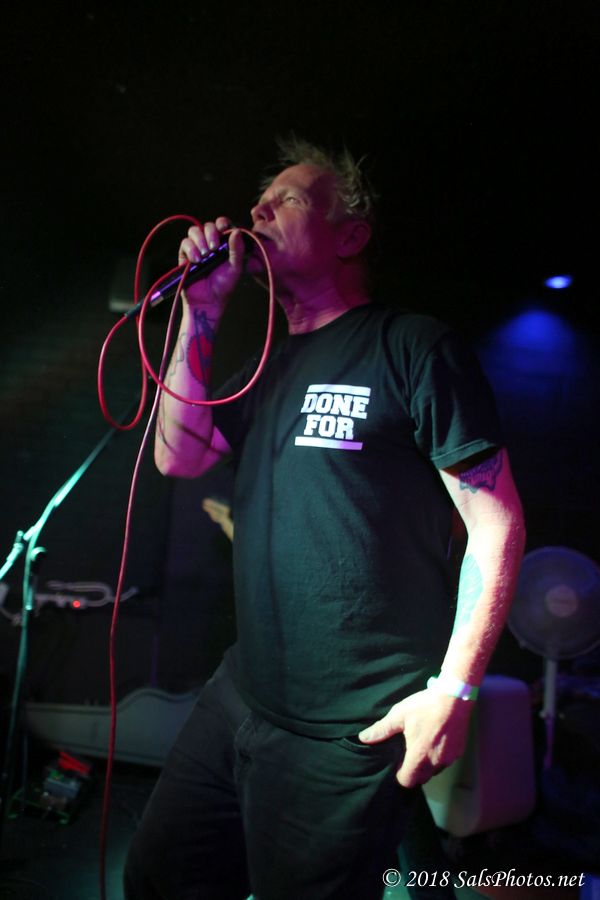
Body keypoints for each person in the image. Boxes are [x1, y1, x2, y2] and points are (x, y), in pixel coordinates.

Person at [124, 137, 526, 900]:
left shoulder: (410, 346)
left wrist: (456, 690)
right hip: (244, 693)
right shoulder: (267, 364)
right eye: (259, 199)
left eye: (289, 198)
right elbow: (177, 456)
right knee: (158, 879)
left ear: (350, 235)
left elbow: (496, 523)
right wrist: (200, 312)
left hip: (350, 726)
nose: (258, 210)